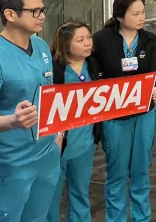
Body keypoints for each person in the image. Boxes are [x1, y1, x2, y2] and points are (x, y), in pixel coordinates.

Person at [0, 0, 61, 222]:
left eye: (43, 9)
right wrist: (12, 120)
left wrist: (57, 135)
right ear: (10, 14)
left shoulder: (40, 46)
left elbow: (48, 95)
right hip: (11, 162)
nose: (42, 16)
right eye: (35, 11)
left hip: (46, 154)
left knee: (37, 217)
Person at [92, 0, 156, 222]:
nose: (141, 17)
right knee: (117, 173)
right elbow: (96, 76)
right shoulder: (101, 40)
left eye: (143, 12)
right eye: (135, 13)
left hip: (144, 114)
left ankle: (142, 218)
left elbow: (155, 75)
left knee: (141, 172)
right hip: (114, 116)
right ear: (120, 16)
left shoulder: (149, 40)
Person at [47, 21, 103, 222]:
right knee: (50, 197)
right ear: (65, 45)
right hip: (56, 146)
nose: (88, 43)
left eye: (88, 37)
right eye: (80, 40)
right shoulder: (53, 70)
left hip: (85, 144)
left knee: (80, 193)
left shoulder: (94, 65)